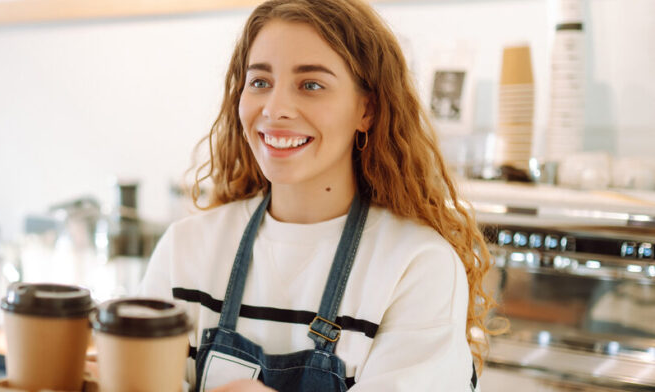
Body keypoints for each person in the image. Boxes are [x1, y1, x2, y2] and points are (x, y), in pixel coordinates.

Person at [138, 0, 501, 391]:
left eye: (311, 85)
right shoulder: (184, 251)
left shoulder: (418, 266)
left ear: (367, 109)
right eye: (260, 82)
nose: (275, 109)